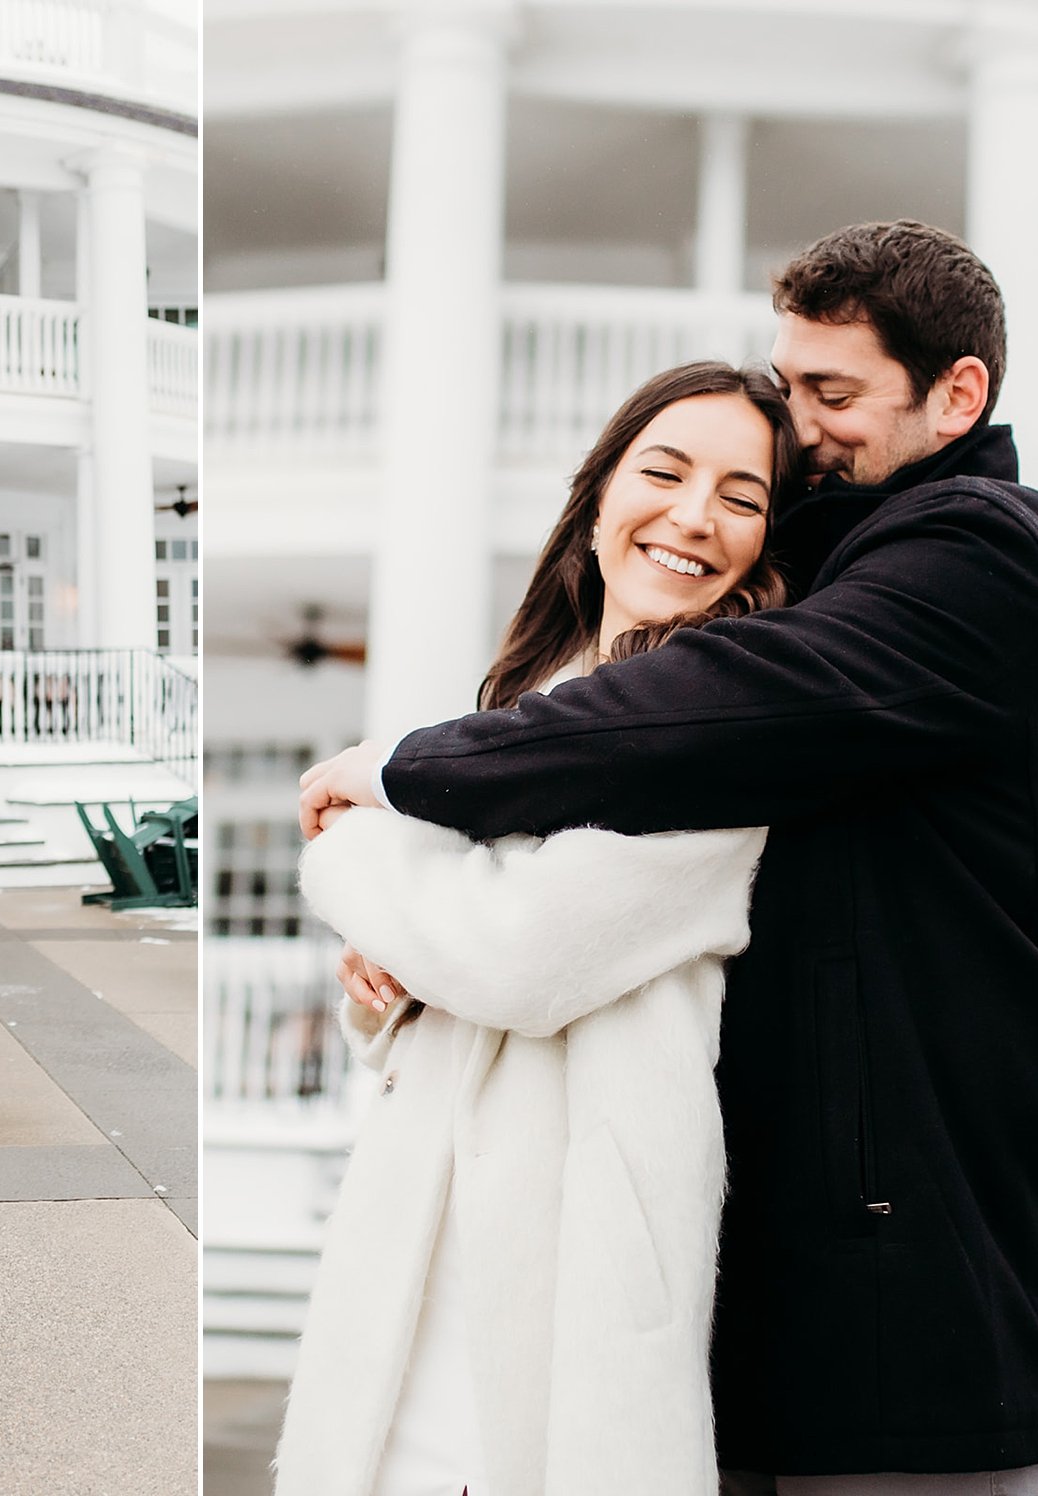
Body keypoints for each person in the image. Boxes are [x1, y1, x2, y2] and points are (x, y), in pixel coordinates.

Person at [299, 221, 1038, 1493]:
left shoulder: (987, 554)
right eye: (790, 388)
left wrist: (384, 800)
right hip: (768, 1295)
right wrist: (399, 967)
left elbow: (717, 722)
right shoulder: (766, 614)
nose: (800, 429)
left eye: (832, 395)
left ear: (957, 392)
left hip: (917, 1293)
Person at [275, 361, 796, 1496]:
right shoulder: (520, 701)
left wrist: (347, 848)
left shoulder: (722, 732)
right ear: (598, 494)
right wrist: (390, 975)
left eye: (742, 496)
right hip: (425, 1228)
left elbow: (518, 957)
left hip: (574, 1254)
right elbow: (442, 967)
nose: (694, 515)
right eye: (662, 470)